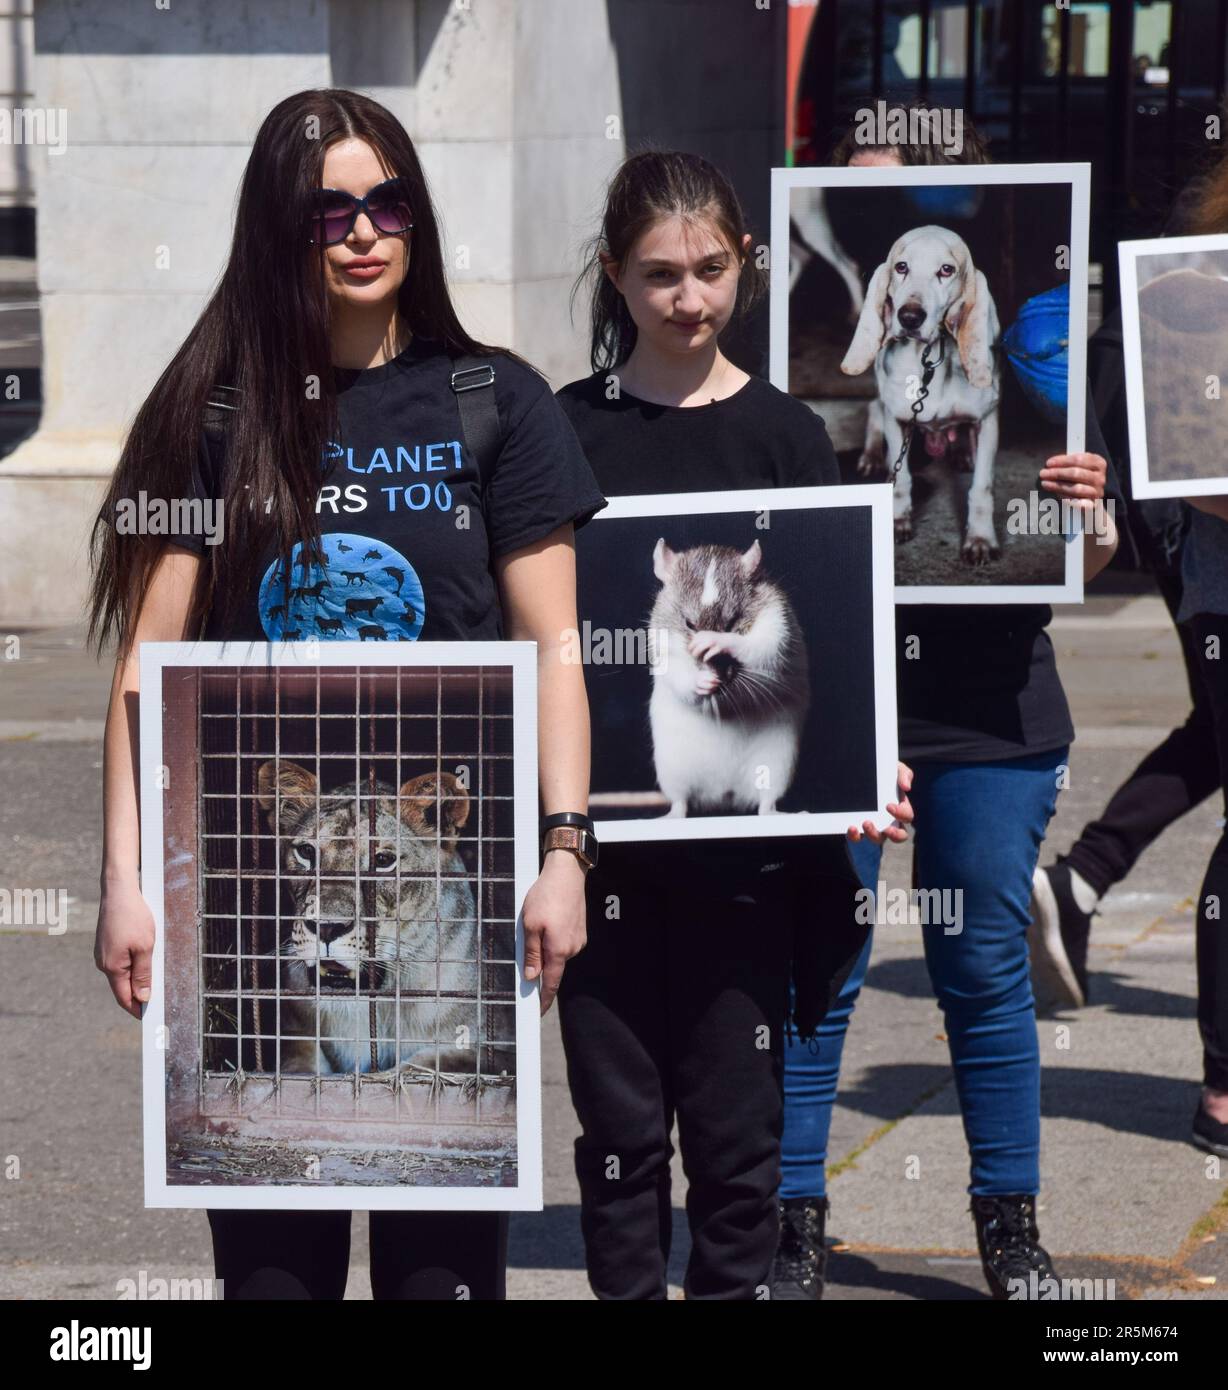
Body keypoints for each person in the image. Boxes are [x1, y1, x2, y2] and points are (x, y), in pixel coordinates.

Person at [88, 88, 606, 1300]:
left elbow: (557, 650)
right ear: (281, 231)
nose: (365, 231)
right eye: (331, 212)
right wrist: (123, 881)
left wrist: (568, 848)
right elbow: (140, 675)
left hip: (442, 918)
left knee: (439, 1284)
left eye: (389, 203)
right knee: (274, 1284)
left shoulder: (497, 404)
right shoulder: (216, 419)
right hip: (254, 909)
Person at [554, 149, 913, 1301]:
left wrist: (869, 755)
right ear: (615, 276)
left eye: (710, 268)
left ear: (746, 261)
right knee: (615, 1147)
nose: (689, 298)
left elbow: (839, 645)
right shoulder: (562, 433)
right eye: (659, 275)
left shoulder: (785, 438)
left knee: (735, 1150)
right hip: (602, 855)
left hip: (752, 867)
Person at [776, 108, 1121, 1300]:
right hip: (833, 700)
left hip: (991, 705)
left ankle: (1010, 1229)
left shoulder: (1032, 365)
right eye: (862, 194)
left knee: (979, 962)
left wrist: (1092, 514)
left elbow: (1104, 552)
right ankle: (790, 1229)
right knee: (817, 966)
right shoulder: (790, 384)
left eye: (910, 197)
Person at [1029, 180, 1217, 1013]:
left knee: (1215, 728)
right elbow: (1190, 446)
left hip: (1193, 546)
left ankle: (1078, 881)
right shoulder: (1198, 248)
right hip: (1206, 549)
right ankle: (1219, 1082)